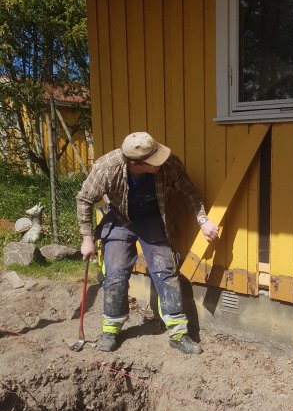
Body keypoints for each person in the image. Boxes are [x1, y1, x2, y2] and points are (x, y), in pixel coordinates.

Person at [76, 131, 218, 354]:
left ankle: (178, 334)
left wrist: (203, 220)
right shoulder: (106, 168)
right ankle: (110, 330)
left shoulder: (167, 163)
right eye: (154, 161)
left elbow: (189, 192)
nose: (160, 161)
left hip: (153, 218)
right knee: (115, 274)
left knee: (165, 272)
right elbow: (84, 198)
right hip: (121, 219)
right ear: (135, 162)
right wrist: (86, 238)